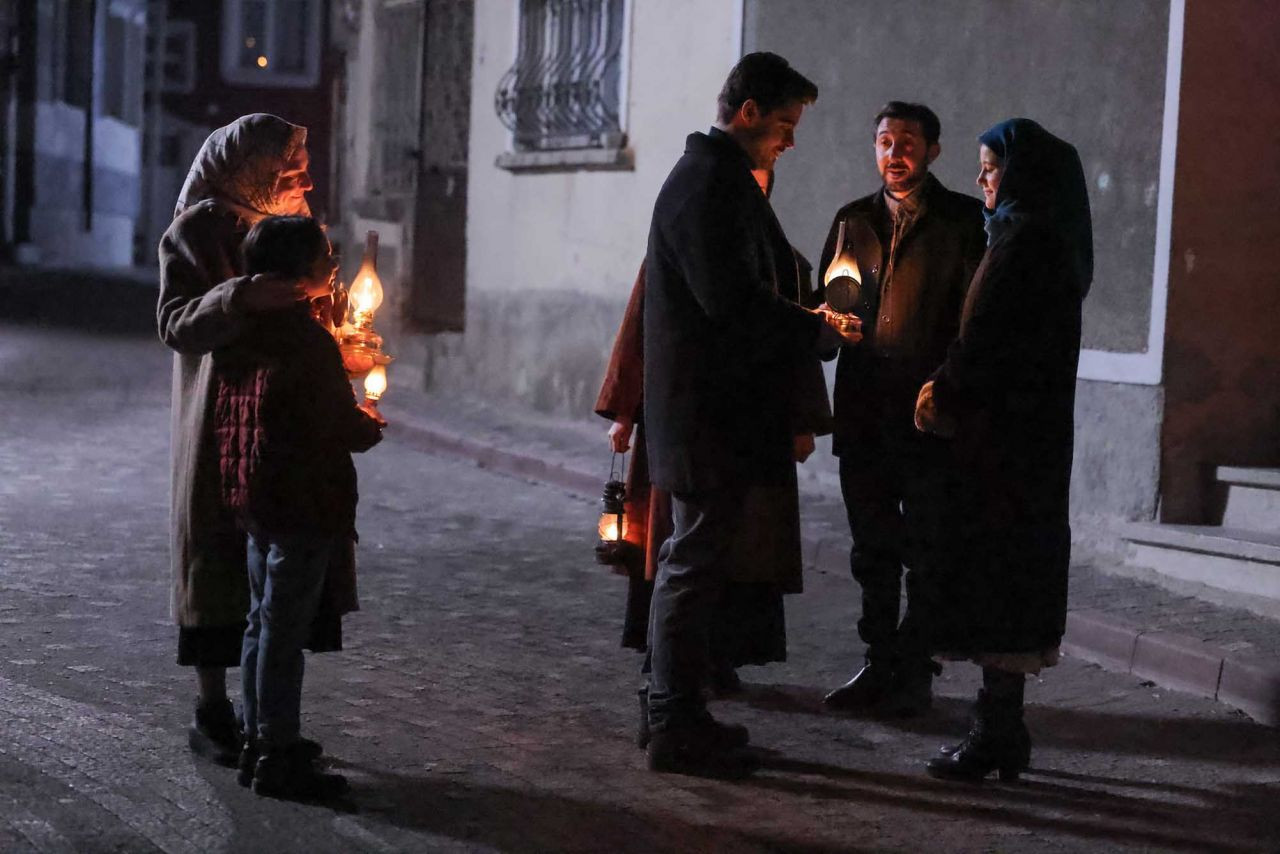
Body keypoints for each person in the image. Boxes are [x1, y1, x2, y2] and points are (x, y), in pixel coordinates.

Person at [642, 51, 860, 778]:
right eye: (784, 126)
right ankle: (673, 719)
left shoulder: (719, 181)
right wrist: (814, 326)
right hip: (708, 418)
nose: (789, 142)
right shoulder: (707, 185)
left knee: (696, 561)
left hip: (712, 415)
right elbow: (729, 301)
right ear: (747, 113)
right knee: (693, 562)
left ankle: (678, 709)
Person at [595, 168, 833, 746]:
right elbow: (641, 329)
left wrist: (802, 418)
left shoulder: (783, 260)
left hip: (752, 428)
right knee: (681, 552)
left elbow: (791, 340)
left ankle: (710, 663)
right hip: (690, 428)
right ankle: (670, 686)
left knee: (735, 549)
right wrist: (625, 410)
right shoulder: (682, 246)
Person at [157, 114, 341, 765]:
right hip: (221, 420)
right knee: (216, 561)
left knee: (279, 582)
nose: (305, 181)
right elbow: (177, 322)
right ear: (252, 168)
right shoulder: (200, 229)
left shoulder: (290, 228)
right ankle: (214, 709)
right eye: (291, 171)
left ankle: (268, 722)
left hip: (286, 425)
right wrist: (241, 296)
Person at [914, 118, 1092, 782]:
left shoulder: (1026, 246)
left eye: (991, 167)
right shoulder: (1036, 240)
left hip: (1006, 448)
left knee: (999, 579)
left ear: (1022, 175)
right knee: (1008, 583)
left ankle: (997, 733)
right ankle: (1000, 728)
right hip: (1022, 444)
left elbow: (989, 340)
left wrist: (943, 389)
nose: (981, 179)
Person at [817, 102, 986, 717]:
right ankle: (879, 660)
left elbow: (975, 320)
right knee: (872, 548)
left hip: (927, 414)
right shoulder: (853, 220)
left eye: (908, 141)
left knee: (929, 545)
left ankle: (916, 666)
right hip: (864, 412)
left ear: (933, 150)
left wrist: (949, 385)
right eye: (885, 140)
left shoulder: (963, 222)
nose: (895, 152)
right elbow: (826, 308)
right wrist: (831, 328)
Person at [213, 215, 385, 799]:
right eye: (325, 258)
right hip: (303, 500)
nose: (334, 267)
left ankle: (256, 738)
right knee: (282, 633)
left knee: (261, 623)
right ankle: (277, 753)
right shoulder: (306, 340)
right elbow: (332, 423)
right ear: (298, 271)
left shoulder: (244, 327)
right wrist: (367, 423)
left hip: (255, 496)